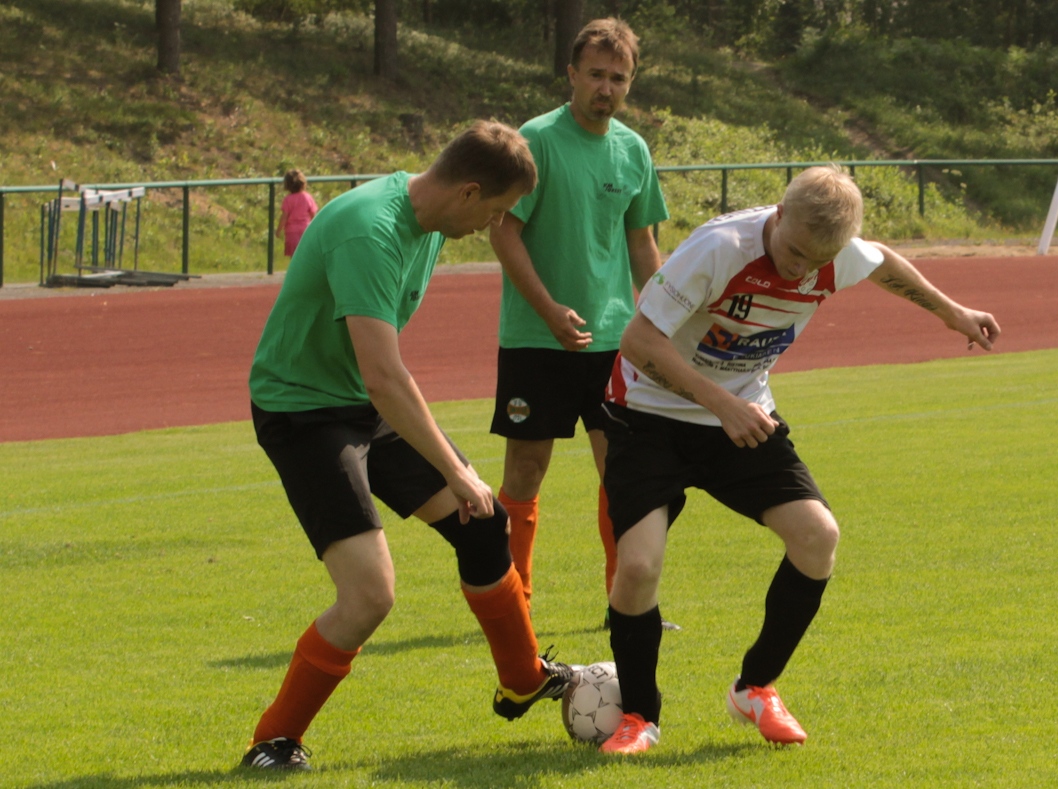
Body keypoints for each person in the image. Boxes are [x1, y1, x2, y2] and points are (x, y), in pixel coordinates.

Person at [596, 166, 1001, 754]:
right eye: (793, 253)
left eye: (817, 262)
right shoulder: (719, 249)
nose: (799, 270)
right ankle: (638, 717)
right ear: (778, 214)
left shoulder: (832, 253)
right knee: (637, 568)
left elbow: (883, 261)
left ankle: (755, 688)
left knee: (817, 537)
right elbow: (638, 340)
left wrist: (952, 312)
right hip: (648, 416)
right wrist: (722, 405)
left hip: (741, 415)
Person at [241, 121, 574, 771]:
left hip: (359, 403)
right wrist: (456, 469)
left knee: (484, 523)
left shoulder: (430, 223)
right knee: (370, 594)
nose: (493, 225)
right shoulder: (370, 229)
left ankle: (523, 679)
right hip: (302, 412)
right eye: (496, 211)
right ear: (469, 191)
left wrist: (461, 480)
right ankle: (273, 741)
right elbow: (383, 375)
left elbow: (377, 381)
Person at [488, 18, 672, 626]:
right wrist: (548, 309)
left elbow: (642, 244)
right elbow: (504, 232)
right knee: (524, 471)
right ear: (571, 74)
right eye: (596, 74)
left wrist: (667, 318)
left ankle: (626, 601)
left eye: (618, 78)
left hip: (614, 340)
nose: (606, 88)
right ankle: (515, 605)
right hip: (535, 338)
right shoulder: (536, 140)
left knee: (622, 472)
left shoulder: (633, 149)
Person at [275, 169, 319, 258]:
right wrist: (316, 228)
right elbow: (313, 214)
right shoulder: (307, 197)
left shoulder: (288, 200)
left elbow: (284, 217)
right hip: (306, 230)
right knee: (306, 256)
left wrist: (278, 230)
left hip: (292, 232)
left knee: (294, 257)